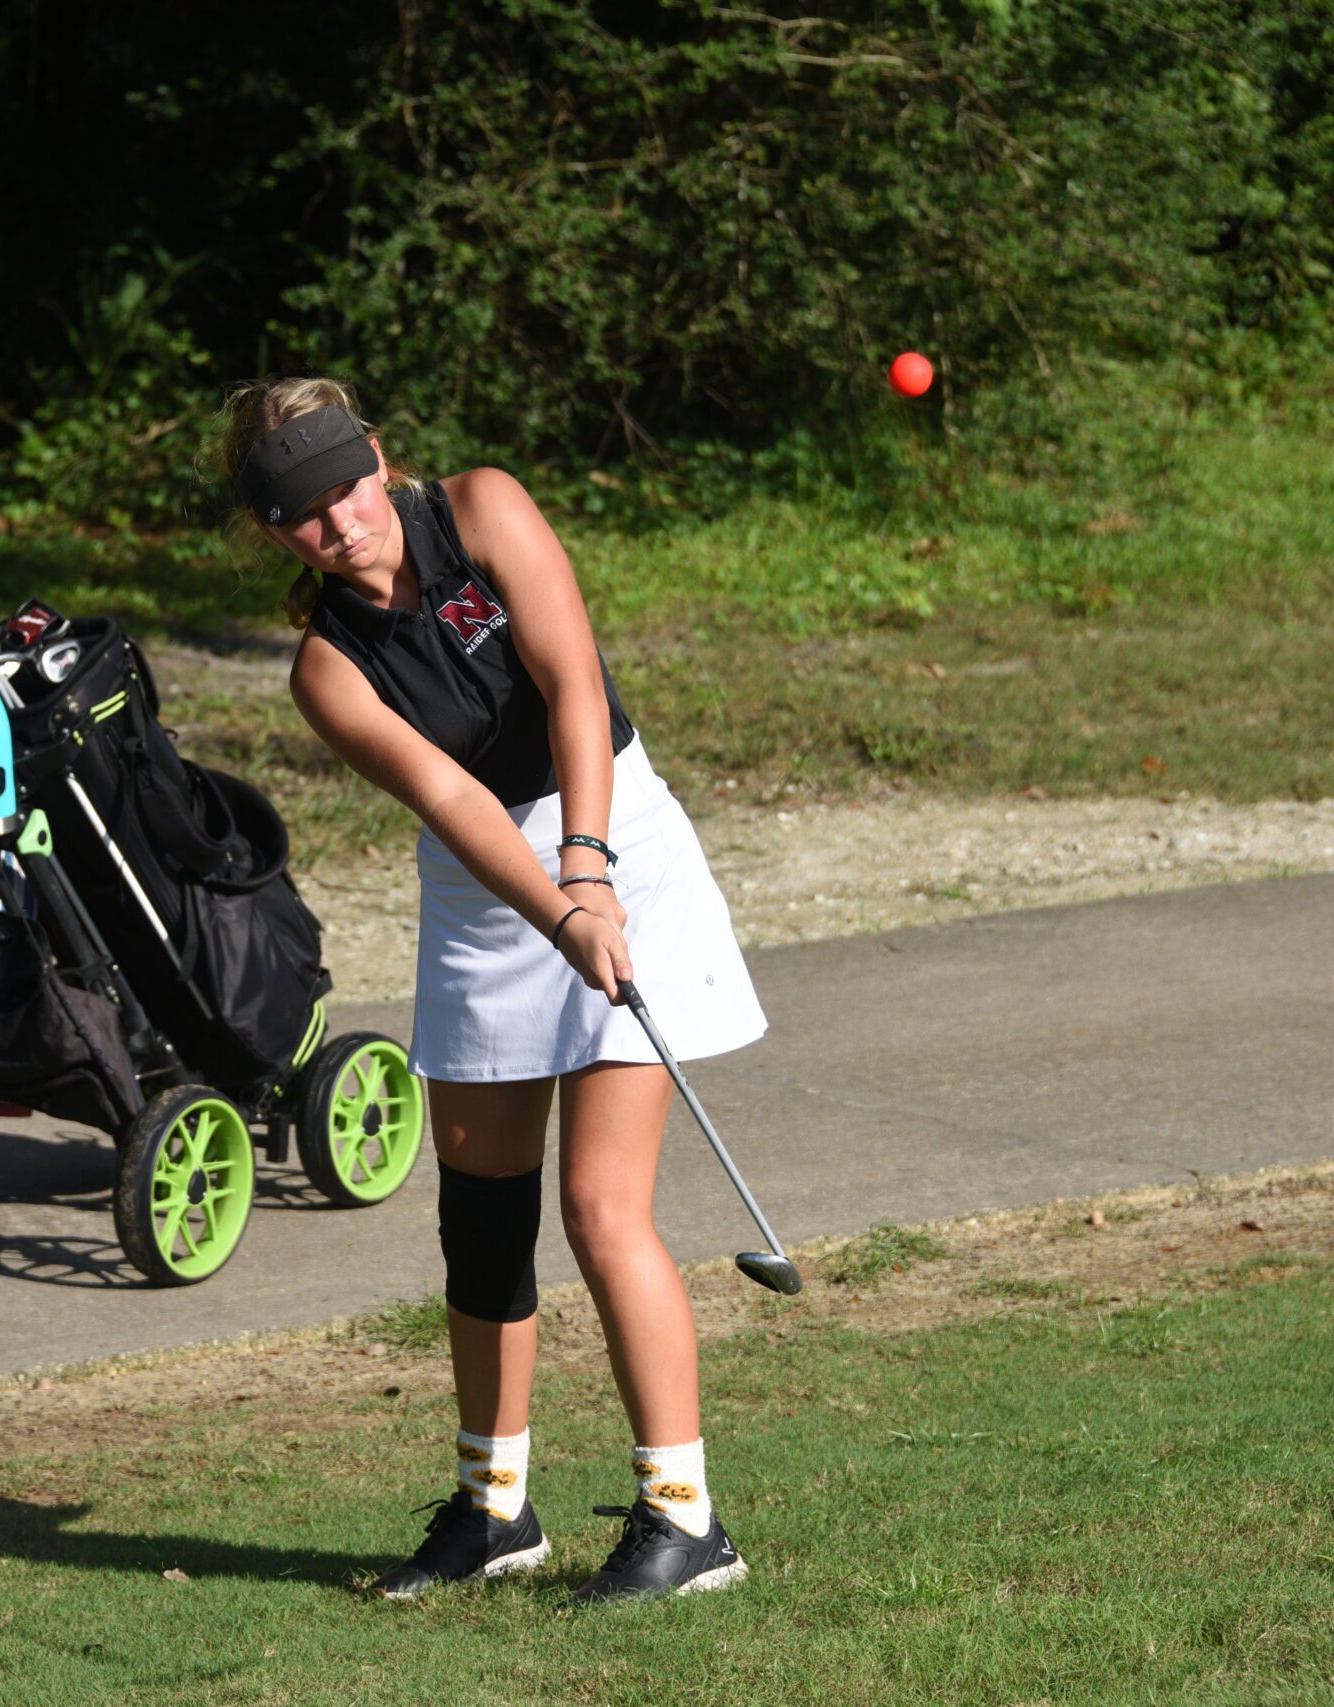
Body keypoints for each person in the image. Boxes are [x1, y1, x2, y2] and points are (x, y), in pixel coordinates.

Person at [215, 377, 770, 1605]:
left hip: (614, 831)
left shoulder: (483, 510)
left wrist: (590, 870)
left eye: (349, 485)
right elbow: (458, 803)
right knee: (479, 1217)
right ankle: (492, 1510)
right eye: (304, 515)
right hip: (487, 894)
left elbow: (574, 682)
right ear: (273, 531)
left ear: (376, 456)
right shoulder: (327, 670)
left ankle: (685, 1519)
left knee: (597, 1204)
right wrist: (554, 909)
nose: (342, 522)